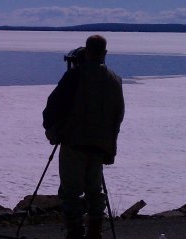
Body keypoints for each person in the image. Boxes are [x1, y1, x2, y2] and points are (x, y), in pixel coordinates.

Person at [42, 35, 125, 239]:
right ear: (105, 53)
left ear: (87, 51)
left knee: (71, 192)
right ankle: (95, 232)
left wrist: (53, 130)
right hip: (99, 146)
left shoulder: (75, 75)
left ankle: (75, 233)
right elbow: (118, 115)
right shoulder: (115, 79)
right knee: (94, 190)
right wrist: (110, 147)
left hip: (75, 143)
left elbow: (53, 106)